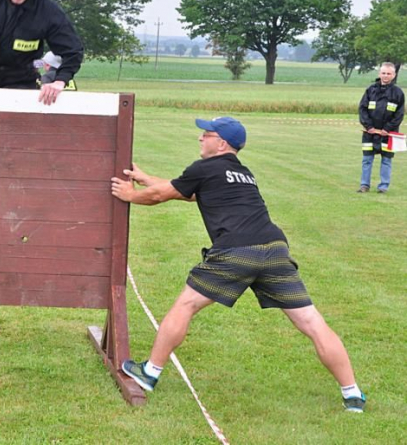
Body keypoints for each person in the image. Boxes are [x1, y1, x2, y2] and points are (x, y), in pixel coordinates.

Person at [110, 117, 366, 412]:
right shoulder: (243, 173)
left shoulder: (203, 168)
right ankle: (353, 395)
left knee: (186, 305)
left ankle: (149, 373)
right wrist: (147, 178)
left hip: (236, 250)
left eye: (205, 135)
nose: (200, 139)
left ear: (221, 143)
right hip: (275, 249)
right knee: (312, 322)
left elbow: (160, 196)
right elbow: (188, 192)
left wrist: (131, 195)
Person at [357, 62, 404, 193]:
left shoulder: (398, 93)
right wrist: (369, 126)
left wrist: (387, 129)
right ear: (379, 74)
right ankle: (364, 185)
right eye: (383, 73)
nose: (386, 76)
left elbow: (399, 115)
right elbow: (363, 109)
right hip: (369, 132)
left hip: (388, 134)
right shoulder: (370, 90)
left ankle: (383, 187)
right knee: (367, 159)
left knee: (386, 160)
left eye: (389, 73)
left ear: (394, 75)